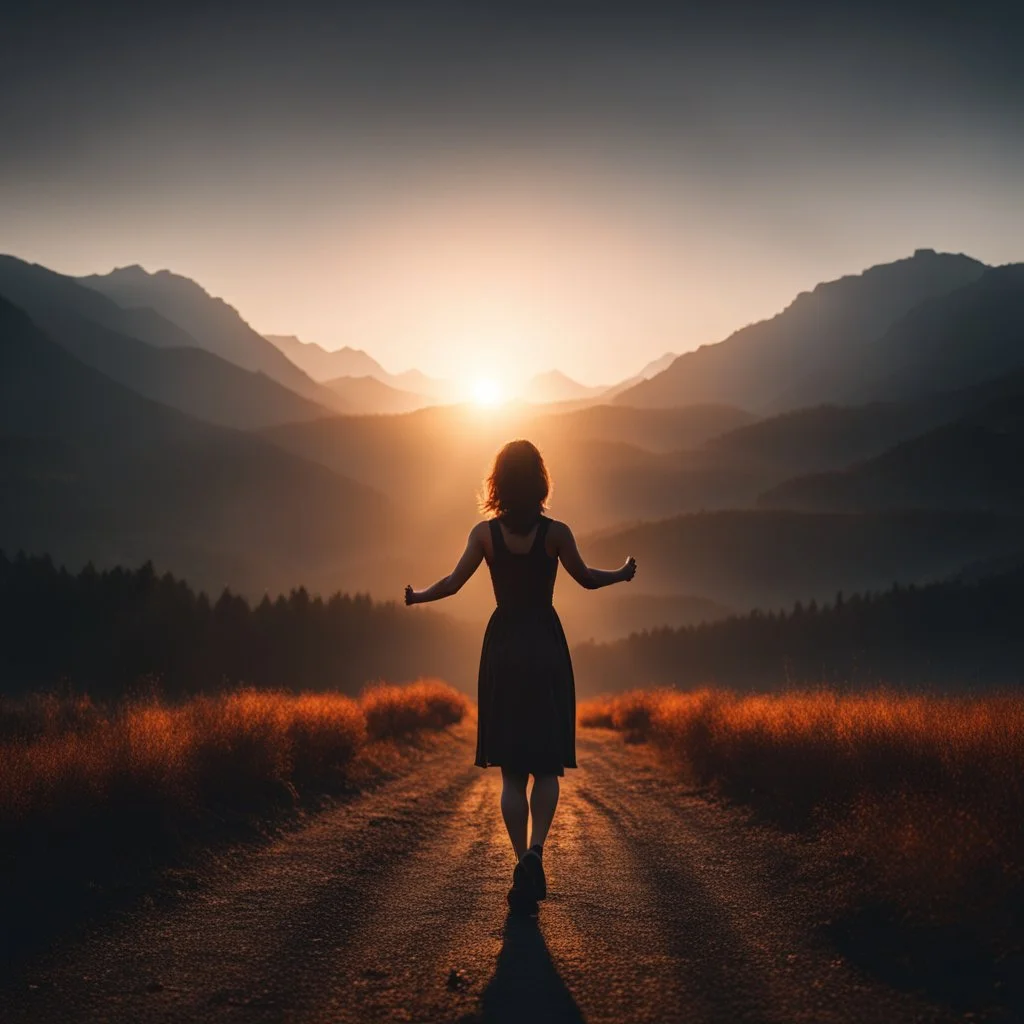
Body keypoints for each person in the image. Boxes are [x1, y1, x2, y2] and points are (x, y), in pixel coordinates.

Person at [405, 439, 637, 912]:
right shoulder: (555, 533)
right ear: (540, 481)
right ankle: (535, 851)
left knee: (511, 771)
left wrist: (416, 596)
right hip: (545, 646)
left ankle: (520, 859)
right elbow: (588, 578)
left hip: (504, 645)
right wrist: (623, 572)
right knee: (546, 765)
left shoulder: (484, 534)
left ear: (498, 482)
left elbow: (451, 584)